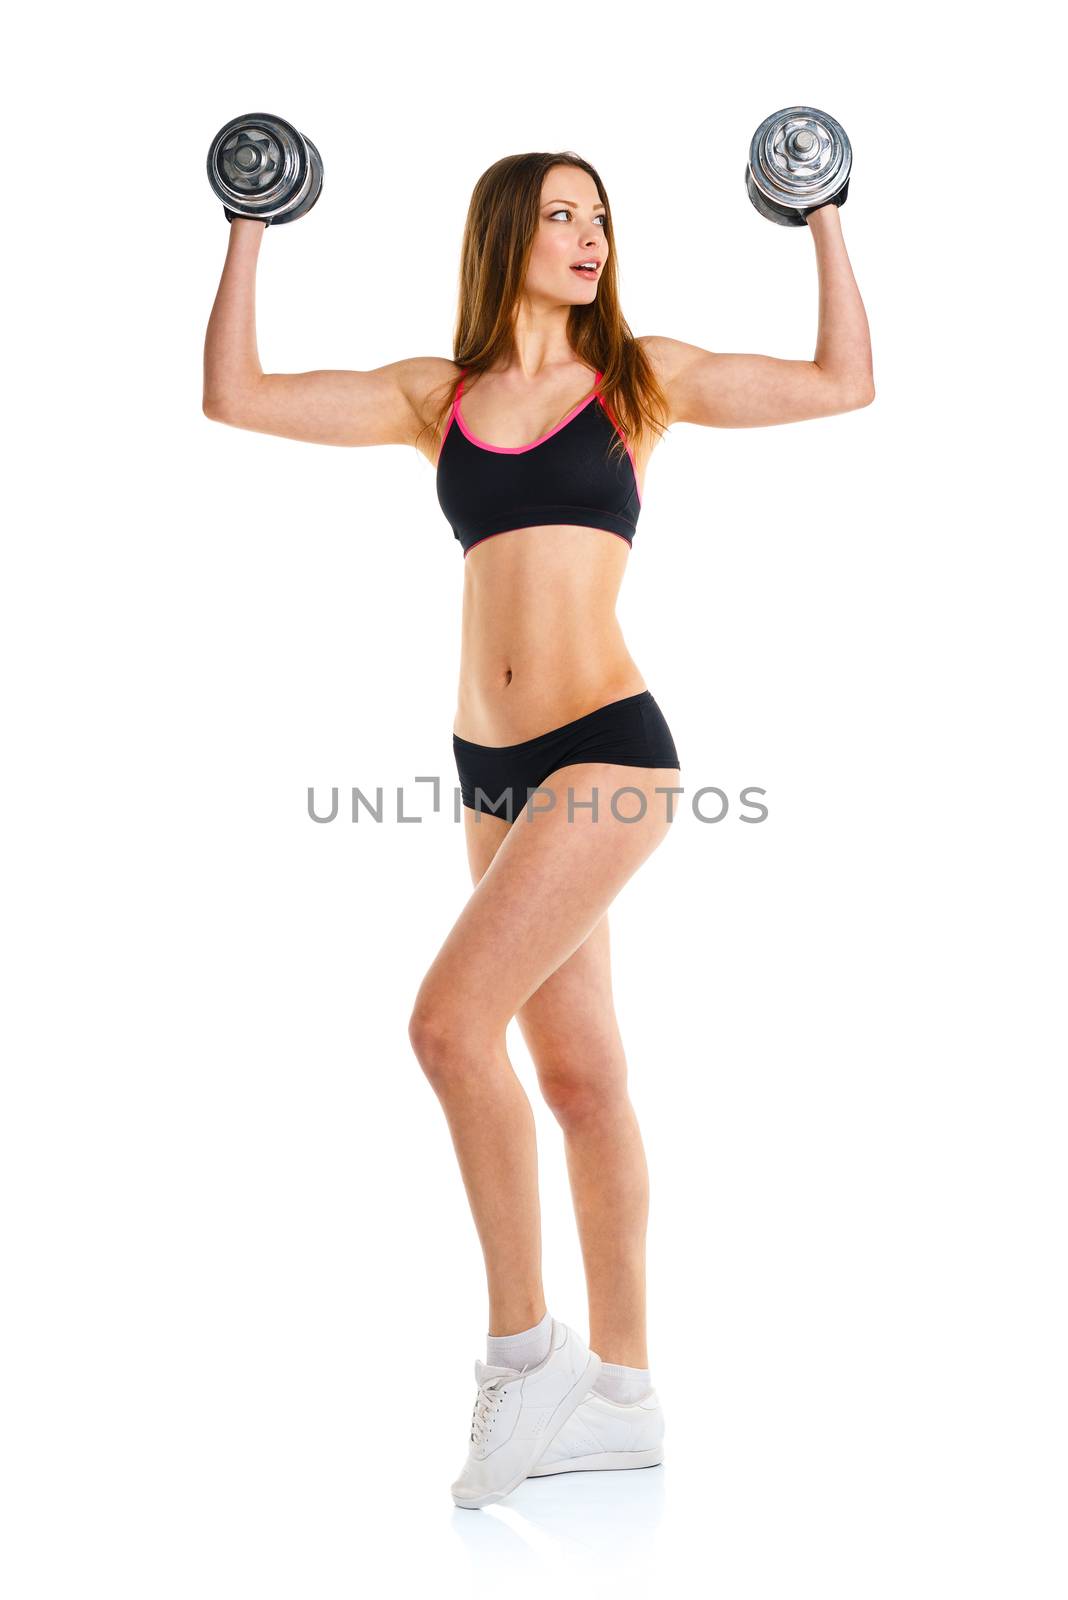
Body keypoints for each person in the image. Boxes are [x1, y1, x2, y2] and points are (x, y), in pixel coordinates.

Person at [202, 148, 874, 1508]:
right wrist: (246, 221)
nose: (591, 237)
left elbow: (840, 383)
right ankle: (623, 1397)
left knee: (447, 1028)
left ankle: (522, 1355)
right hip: (483, 768)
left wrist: (826, 215)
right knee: (578, 1080)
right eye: (564, 215)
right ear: (506, 232)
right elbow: (235, 396)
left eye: (604, 218)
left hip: (607, 747)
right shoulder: (431, 400)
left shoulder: (641, 379)